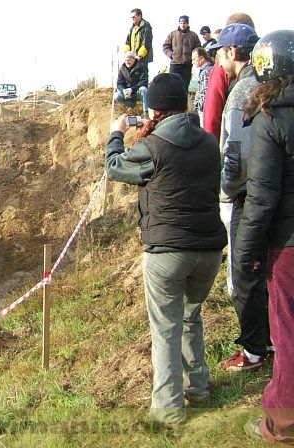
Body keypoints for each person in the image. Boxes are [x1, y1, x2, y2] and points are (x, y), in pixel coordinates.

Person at [105, 73, 226, 426]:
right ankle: (199, 389)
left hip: (168, 251)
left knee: (166, 328)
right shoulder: (208, 142)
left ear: (153, 108)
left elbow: (115, 167)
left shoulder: (153, 146)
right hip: (209, 250)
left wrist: (117, 133)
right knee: (191, 316)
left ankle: (168, 410)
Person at [234, 30, 294, 445]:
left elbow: (261, 197)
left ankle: (283, 423)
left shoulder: (271, 120)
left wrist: (245, 253)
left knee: (287, 329)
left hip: (287, 244)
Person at [207, 24, 271, 373]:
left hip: (247, 195)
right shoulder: (267, 82)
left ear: (232, 52)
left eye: (220, 51)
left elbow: (235, 151)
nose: (218, 57)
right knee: (268, 270)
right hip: (268, 190)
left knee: (244, 272)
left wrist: (227, 189)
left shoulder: (242, 90)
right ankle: (271, 341)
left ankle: (253, 350)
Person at [203, 13, 255, 141]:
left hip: (239, 154)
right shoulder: (266, 69)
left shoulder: (223, 72)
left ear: (232, 51)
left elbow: (212, 118)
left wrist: (212, 153)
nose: (219, 62)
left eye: (220, 55)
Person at [163, 15, 202, 92]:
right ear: (179, 23)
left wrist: (193, 58)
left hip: (187, 65)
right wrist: (171, 55)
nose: (183, 25)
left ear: (187, 24)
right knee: (173, 87)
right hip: (175, 64)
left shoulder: (193, 35)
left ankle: (183, 104)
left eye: (184, 23)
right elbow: (165, 46)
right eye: (181, 23)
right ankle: (173, 104)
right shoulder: (172, 34)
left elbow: (198, 48)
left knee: (184, 87)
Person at [114, 51, 149, 116]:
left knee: (144, 89)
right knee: (117, 95)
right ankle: (131, 104)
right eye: (126, 60)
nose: (127, 62)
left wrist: (132, 89)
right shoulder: (122, 68)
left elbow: (144, 81)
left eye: (129, 60)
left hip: (138, 92)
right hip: (128, 94)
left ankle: (146, 112)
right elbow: (119, 83)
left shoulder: (141, 66)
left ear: (134, 59)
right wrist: (123, 90)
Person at [125, 8, 153, 79]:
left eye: (134, 17)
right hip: (132, 57)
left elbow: (146, 43)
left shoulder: (146, 27)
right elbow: (127, 42)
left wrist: (139, 56)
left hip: (142, 58)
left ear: (139, 16)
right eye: (131, 17)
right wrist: (127, 54)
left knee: (142, 77)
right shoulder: (132, 27)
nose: (132, 18)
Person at [191, 47, 214, 126]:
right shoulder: (209, 69)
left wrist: (199, 105)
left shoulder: (206, 72)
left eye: (194, 59)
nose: (193, 62)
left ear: (201, 58)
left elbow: (205, 92)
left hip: (204, 110)